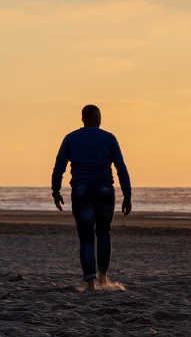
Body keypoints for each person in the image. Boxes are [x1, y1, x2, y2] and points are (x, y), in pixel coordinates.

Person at [51, 104, 132, 291]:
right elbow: (121, 168)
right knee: (104, 233)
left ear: (83, 120)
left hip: (81, 190)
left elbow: (59, 168)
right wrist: (127, 196)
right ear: (98, 119)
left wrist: (56, 191)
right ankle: (103, 278)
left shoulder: (71, 138)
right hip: (104, 189)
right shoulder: (109, 138)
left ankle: (90, 284)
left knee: (86, 238)